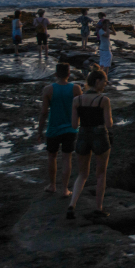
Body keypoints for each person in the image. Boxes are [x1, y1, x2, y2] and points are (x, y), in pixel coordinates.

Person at [67, 68, 113, 220]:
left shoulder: (76, 100)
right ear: (97, 81)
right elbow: (109, 123)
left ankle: (72, 205)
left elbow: (74, 125)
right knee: (100, 174)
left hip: (83, 135)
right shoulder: (103, 100)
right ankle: (98, 208)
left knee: (82, 174)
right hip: (99, 134)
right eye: (104, 81)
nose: (105, 84)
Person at [36, 63, 82, 196]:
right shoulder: (76, 89)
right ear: (69, 74)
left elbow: (44, 113)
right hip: (71, 129)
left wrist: (39, 131)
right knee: (67, 158)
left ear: (56, 74)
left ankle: (52, 185)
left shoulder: (48, 90)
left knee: (52, 157)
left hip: (53, 129)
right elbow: (81, 109)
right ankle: (65, 189)